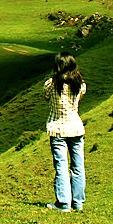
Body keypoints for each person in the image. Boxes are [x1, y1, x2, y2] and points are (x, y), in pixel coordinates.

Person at [44, 52, 86, 212]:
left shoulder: (51, 84)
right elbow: (79, 98)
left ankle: (63, 203)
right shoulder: (80, 84)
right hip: (75, 127)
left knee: (61, 165)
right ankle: (78, 202)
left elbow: (46, 97)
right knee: (78, 166)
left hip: (58, 128)